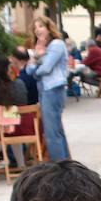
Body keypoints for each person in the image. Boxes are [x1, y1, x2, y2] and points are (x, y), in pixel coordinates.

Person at [31, 16, 72, 161]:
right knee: (55, 129)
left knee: (52, 131)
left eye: (41, 26)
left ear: (49, 28)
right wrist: (38, 58)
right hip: (46, 89)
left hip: (53, 89)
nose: (37, 30)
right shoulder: (45, 48)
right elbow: (32, 69)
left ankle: (58, 165)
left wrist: (37, 60)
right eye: (35, 27)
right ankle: (65, 163)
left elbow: (46, 68)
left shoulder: (56, 44)